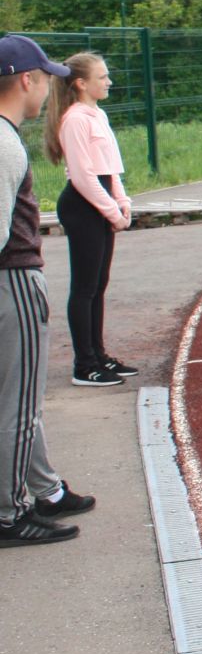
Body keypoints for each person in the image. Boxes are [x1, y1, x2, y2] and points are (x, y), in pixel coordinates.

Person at [0, 36, 94, 547]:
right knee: (19, 403)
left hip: (11, 281)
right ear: (25, 81)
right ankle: (10, 513)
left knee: (18, 400)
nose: (46, 90)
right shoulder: (5, 143)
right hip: (12, 282)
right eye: (44, 78)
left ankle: (41, 488)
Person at [44, 54, 137, 386]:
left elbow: (110, 168)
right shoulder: (75, 120)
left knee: (98, 285)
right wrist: (111, 211)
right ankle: (84, 365)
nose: (108, 81)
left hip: (100, 203)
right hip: (83, 206)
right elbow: (84, 176)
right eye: (102, 77)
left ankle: (99, 355)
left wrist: (122, 202)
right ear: (81, 83)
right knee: (84, 287)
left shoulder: (98, 114)